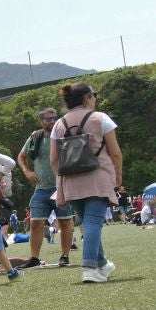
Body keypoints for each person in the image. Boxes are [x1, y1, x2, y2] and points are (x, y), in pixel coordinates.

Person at [51, 81, 122, 284]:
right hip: (97, 177)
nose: (95, 98)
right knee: (93, 223)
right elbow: (115, 152)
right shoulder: (101, 119)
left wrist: (61, 180)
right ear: (87, 98)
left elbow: (54, 161)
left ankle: (101, 263)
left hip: (70, 181)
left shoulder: (59, 124)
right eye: (94, 95)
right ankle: (89, 268)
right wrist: (117, 174)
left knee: (87, 222)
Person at [18, 107, 76, 268]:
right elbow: (21, 156)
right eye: (48, 119)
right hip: (41, 189)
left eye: (54, 118)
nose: (52, 121)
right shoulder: (35, 136)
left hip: (61, 187)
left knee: (65, 223)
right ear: (41, 121)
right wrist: (27, 171)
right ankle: (34, 258)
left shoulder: (64, 134)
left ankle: (65, 256)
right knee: (36, 223)